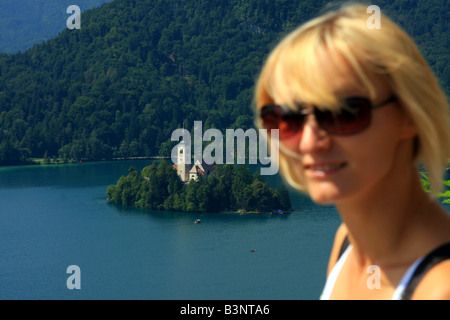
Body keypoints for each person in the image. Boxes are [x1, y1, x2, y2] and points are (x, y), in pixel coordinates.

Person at [254, 3, 450, 299]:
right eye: (288, 118)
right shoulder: (347, 243)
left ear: (410, 114)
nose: (309, 142)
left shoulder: (440, 289)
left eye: (341, 113)